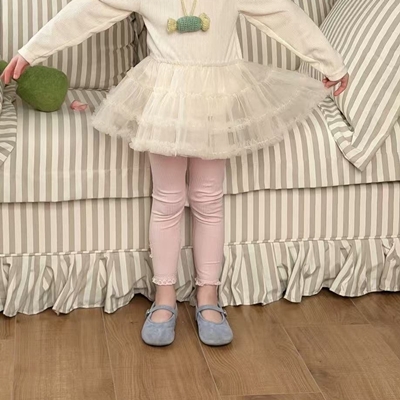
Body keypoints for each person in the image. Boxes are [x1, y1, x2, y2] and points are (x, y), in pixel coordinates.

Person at [0, 0, 349, 347]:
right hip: (165, 100)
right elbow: (89, 10)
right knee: (167, 199)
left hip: (216, 100)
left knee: (208, 198)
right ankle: (164, 297)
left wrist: (330, 62)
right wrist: (32, 51)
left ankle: (208, 295)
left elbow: (283, 14)